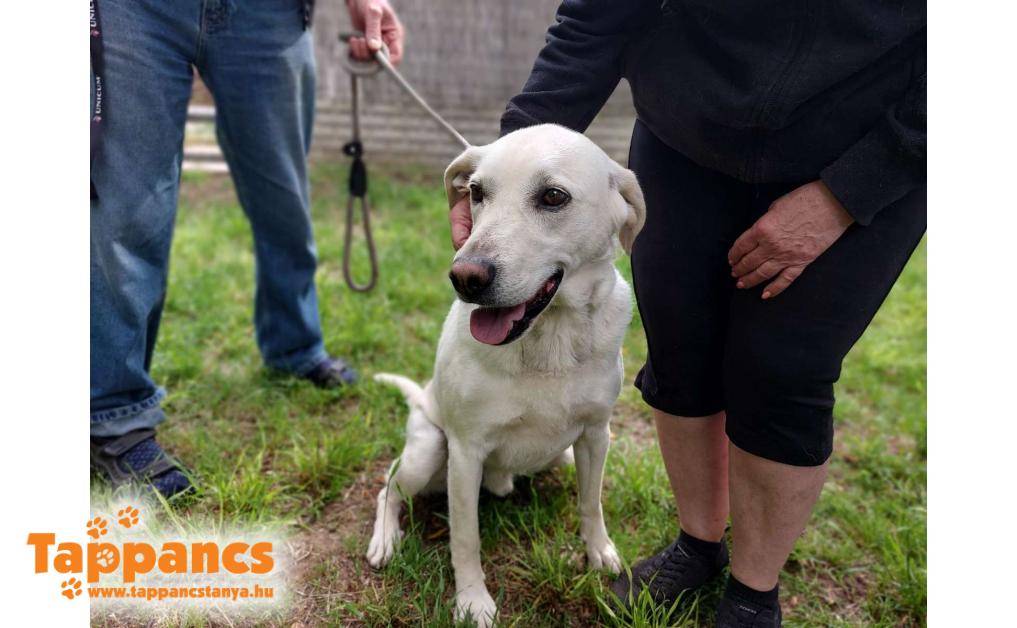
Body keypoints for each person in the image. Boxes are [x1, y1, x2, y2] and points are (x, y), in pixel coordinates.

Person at [449, 1, 926, 625]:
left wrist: (849, 191)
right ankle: (698, 545)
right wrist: (505, 167)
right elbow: (596, 17)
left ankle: (753, 595)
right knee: (681, 348)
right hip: (684, 140)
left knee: (781, 370)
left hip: (870, 143)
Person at [90, 0, 404, 498]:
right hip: (134, 11)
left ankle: (295, 346)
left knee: (284, 200)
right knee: (126, 211)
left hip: (268, 13)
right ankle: (115, 414)